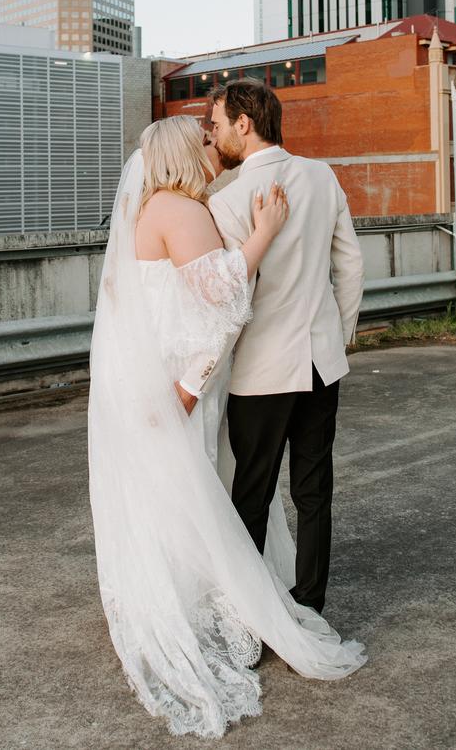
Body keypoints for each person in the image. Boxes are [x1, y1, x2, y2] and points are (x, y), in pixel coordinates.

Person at [88, 115, 365, 740]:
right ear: (188, 152)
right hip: (180, 385)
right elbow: (221, 292)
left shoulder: (163, 207)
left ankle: (179, 595)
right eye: (207, 141)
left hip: (170, 379)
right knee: (191, 495)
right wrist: (263, 233)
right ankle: (209, 607)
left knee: (179, 494)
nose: (218, 146)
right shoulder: (179, 210)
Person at [207, 79, 365, 616]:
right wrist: (336, 335)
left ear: (243, 124)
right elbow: (351, 265)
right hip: (323, 362)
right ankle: (310, 605)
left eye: (217, 122)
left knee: (251, 493)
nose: (214, 133)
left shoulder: (226, 201)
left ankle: (253, 622)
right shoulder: (323, 177)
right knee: (314, 490)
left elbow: (234, 297)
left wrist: (209, 371)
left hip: (262, 371)